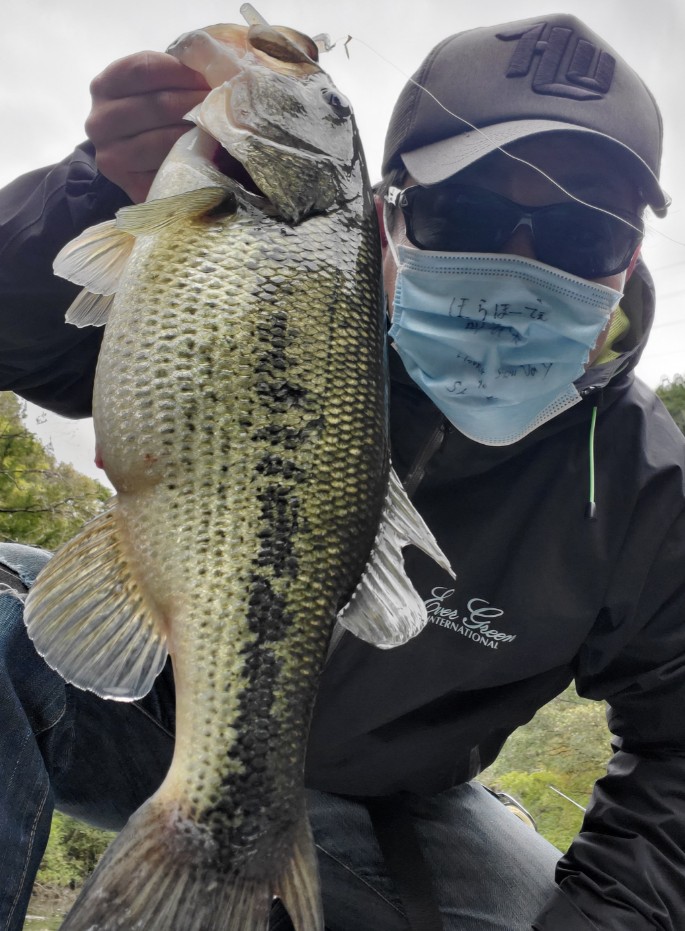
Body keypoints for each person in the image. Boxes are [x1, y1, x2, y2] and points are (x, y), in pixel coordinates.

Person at [1, 12, 684, 930]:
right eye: (467, 213)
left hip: (403, 813)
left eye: (579, 231)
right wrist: (91, 196)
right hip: (149, 711)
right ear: (385, 213)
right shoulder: (264, 291)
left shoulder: (651, 489)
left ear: (628, 255)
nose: (513, 263)